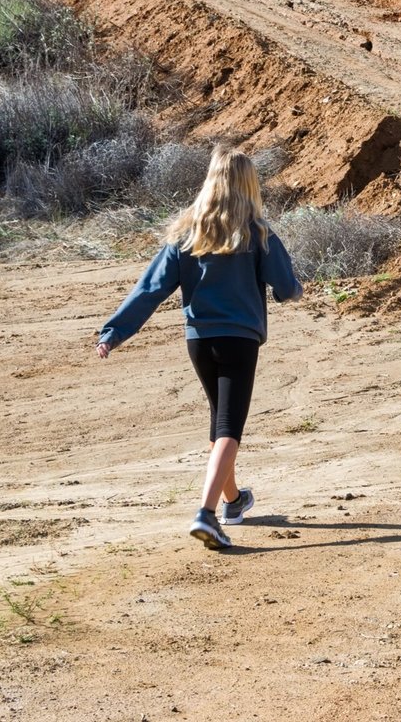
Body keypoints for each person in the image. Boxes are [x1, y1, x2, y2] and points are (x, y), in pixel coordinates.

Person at [95, 145, 303, 550]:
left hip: (199, 342)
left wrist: (114, 332)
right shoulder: (257, 233)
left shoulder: (186, 234)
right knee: (229, 428)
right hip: (239, 340)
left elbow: (150, 289)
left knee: (218, 424)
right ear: (249, 185)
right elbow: (285, 285)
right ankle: (206, 515)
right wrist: (293, 291)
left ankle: (233, 502)